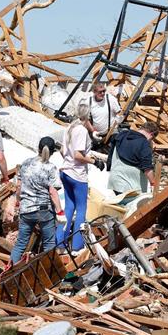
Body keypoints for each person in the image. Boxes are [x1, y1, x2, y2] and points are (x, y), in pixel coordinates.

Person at [10, 137, 64, 264]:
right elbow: (52, 192)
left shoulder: (26, 164)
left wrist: (18, 201)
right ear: (52, 152)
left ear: (38, 148)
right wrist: (60, 211)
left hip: (26, 209)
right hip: (44, 210)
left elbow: (19, 187)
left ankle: (9, 271)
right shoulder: (51, 168)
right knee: (49, 244)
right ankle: (48, 271)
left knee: (20, 244)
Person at [59, 102, 105, 251]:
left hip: (65, 171)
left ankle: (60, 242)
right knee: (81, 209)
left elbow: (62, 150)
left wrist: (69, 161)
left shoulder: (69, 128)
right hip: (77, 175)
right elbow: (78, 155)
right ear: (88, 116)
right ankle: (77, 245)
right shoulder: (81, 130)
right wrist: (94, 162)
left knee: (69, 207)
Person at [107, 121, 158, 194]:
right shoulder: (144, 143)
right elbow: (147, 168)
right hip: (131, 186)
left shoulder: (121, 135)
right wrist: (153, 183)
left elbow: (110, 154)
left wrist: (108, 167)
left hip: (115, 180)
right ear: (151, 134)